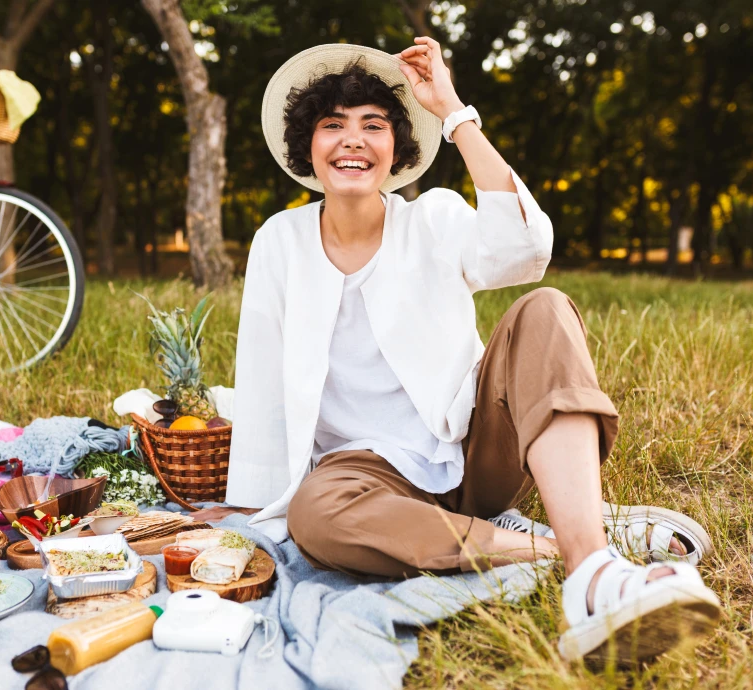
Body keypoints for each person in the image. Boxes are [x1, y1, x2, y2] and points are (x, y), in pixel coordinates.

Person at [216, 39, 721, 663]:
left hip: (471, 447)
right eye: (332, 126)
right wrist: (248, 509)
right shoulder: (279, 240)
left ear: (396, 150)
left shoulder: (433, 218)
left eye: (373, 126)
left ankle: (592, 569)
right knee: (313, 516)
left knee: (547, 308)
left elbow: (526, 248)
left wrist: (453, 112)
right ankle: (567, 548)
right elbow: (261, 372)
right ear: (307, 148)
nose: (352, 139)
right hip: (364, 474)